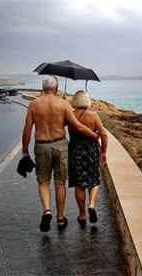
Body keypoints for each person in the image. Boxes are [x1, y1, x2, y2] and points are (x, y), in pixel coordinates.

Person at [21, 76, 99, 232]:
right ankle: (60, 217)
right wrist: (94, 136)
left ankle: (47, 210)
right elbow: (77, 126)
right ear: (56, 89)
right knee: (59, 183)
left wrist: (25, 150)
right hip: (60, 145)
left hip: (42, 145)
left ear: (43, 88)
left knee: (43, 181)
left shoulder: (34, 105)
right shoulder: (63, 104)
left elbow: (27, 130)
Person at [68, 90, 108, 228]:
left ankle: (82, 214)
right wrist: (103, 151)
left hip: (75, 151)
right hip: (91, 151)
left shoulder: (70, 115)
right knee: (94, 179)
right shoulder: (93, 115)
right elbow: (104, 134)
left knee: (79, 184)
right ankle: (91, 205)